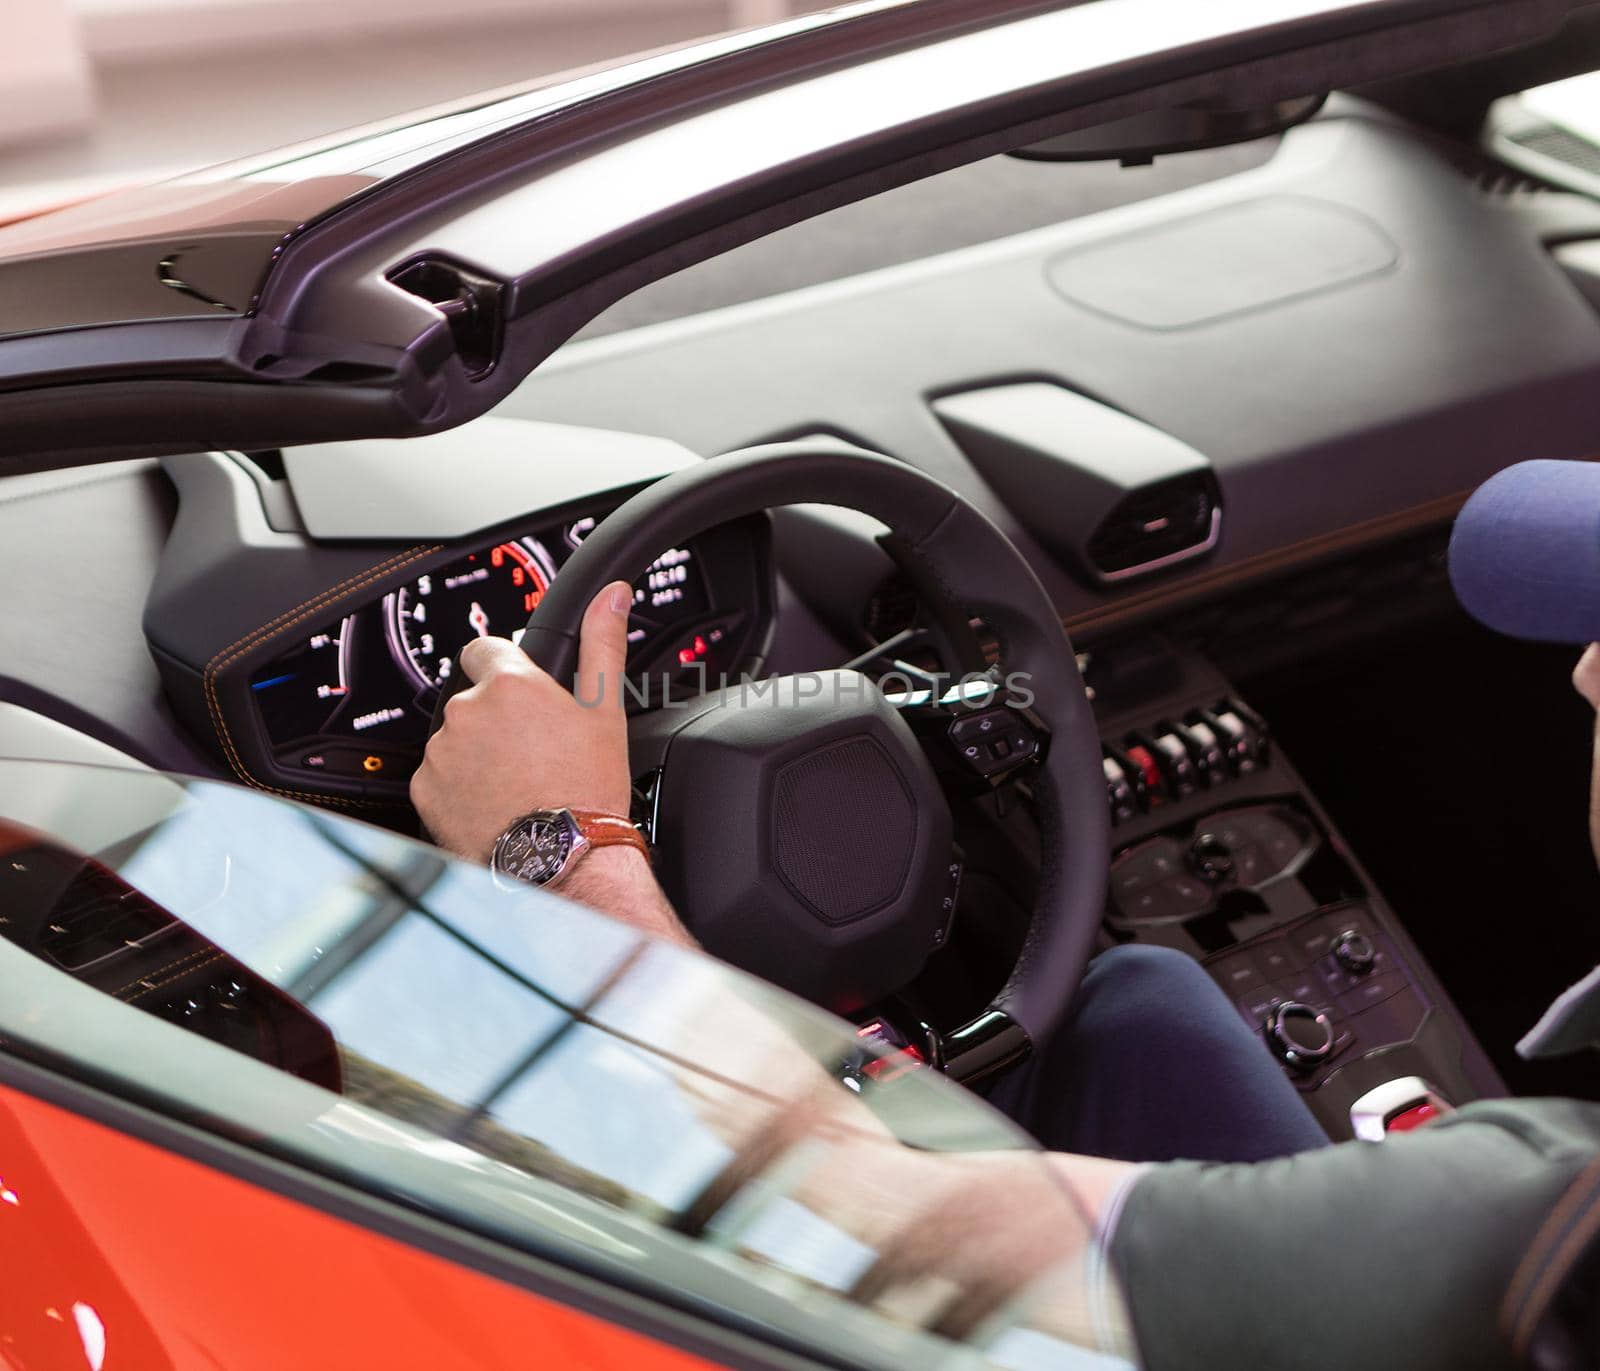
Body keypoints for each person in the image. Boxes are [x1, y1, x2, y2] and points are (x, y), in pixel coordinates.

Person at [414, 460, 1600, 1368]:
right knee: (1137, 1006)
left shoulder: (1526, 1216)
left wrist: (561, 844)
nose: (1586, 669)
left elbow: (869, 1229)